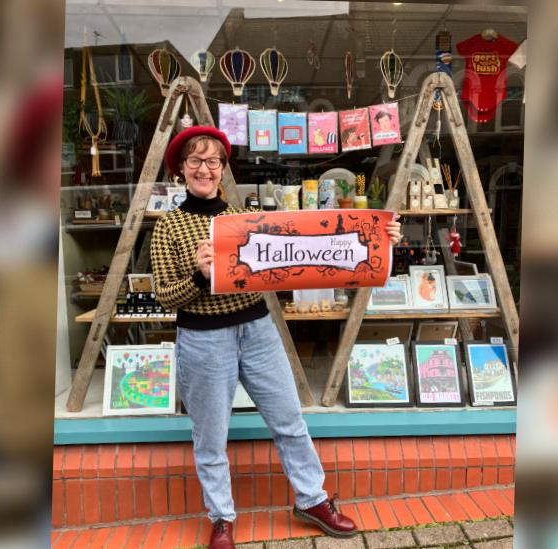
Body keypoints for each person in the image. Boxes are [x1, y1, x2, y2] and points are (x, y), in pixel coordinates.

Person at [150, 126, 402, 549]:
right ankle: (221, 518)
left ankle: (313, 499)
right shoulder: (168, 228)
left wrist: (378, 237)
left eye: (213, 161)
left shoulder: (244, 220)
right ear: (180, 169)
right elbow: (163, 297)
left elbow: (307, 247)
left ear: (223, 170)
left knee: (289, 420)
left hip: (258, 330)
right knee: (210, 437)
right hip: (203, 340)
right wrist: (199, 275)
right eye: (194, 160)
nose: (204, 169)